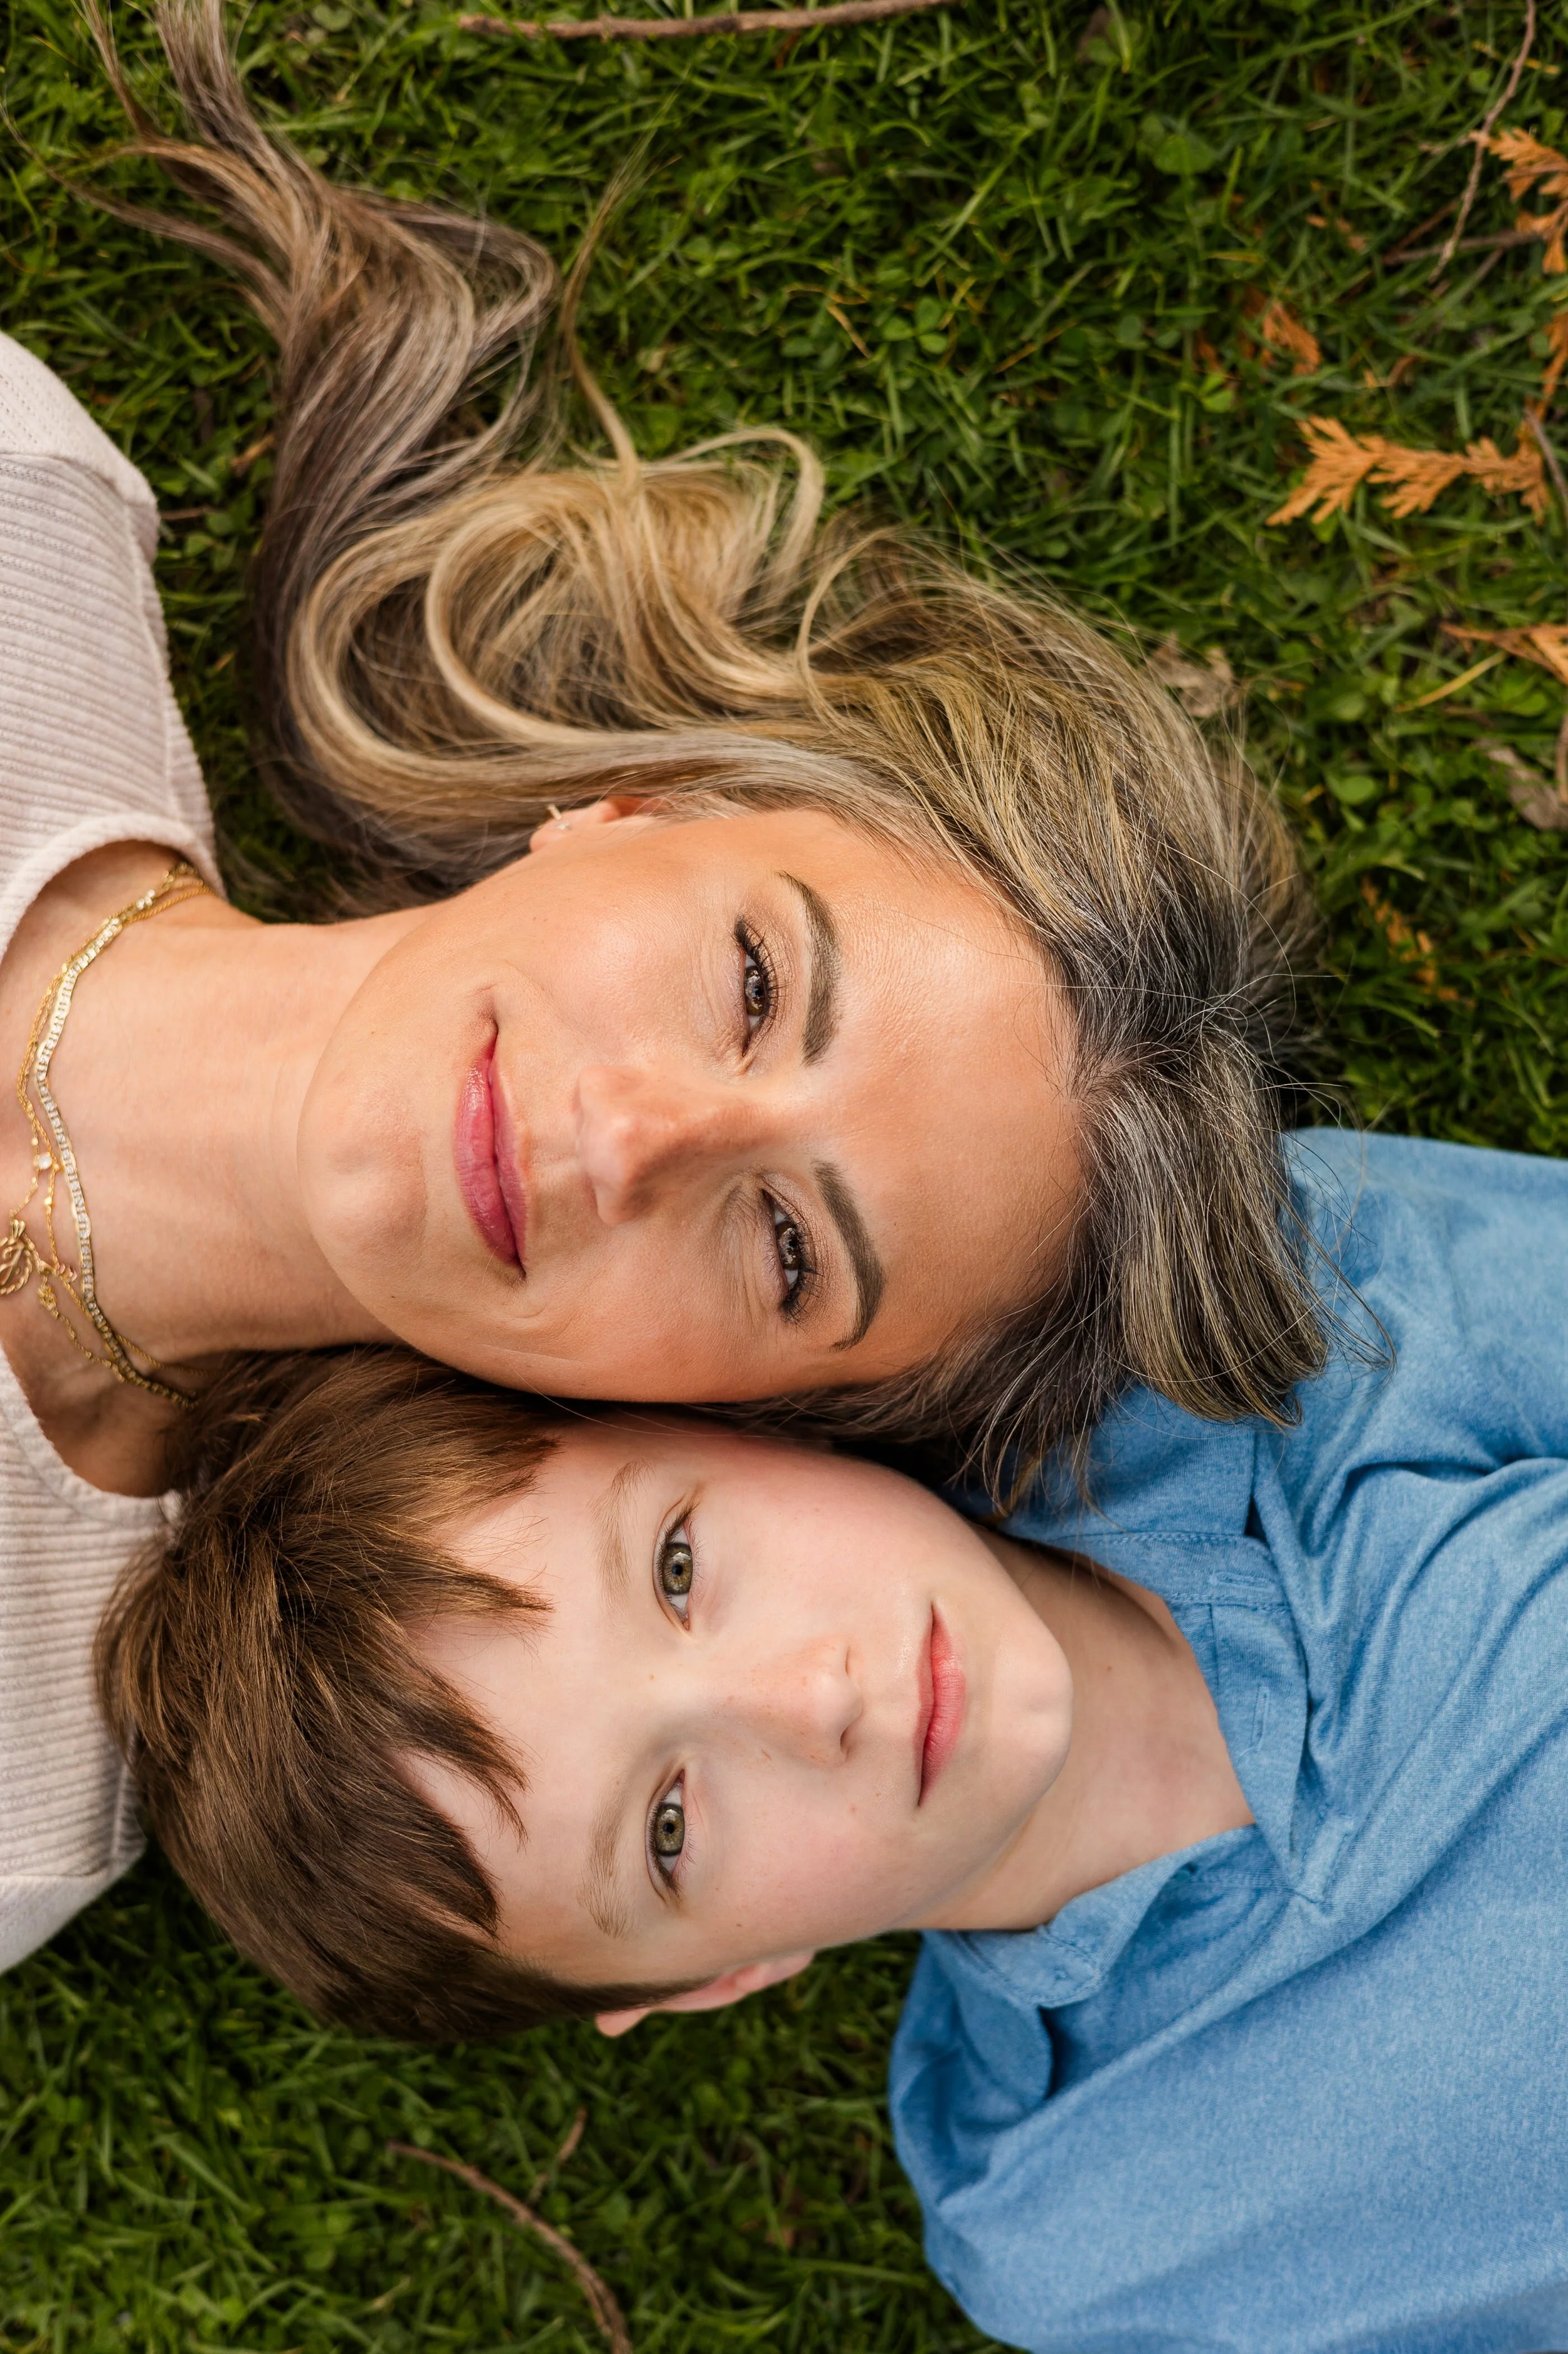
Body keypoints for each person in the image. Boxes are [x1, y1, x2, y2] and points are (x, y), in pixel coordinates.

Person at [0, 0, 1320, 1968]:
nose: (629, 1135)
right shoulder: (20, 527)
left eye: (787, 1253)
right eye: (751, 982)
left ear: (738, 1424)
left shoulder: (28, 1782)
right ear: (633, 813)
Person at [102, 1127, 1568, 2350]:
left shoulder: (1268, 1319)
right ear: (705, 1980)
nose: (811, 1699)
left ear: (739, 1422)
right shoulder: (1072, 2218)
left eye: (678, 1567)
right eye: (668, 1826)